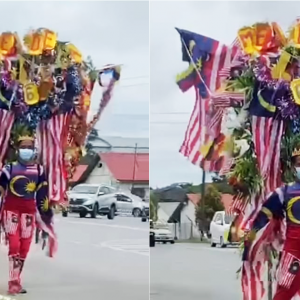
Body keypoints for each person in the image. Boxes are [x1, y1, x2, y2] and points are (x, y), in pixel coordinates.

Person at [243, 148, 300, 300]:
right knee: (284, 291)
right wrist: (250, 237)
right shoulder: (284, 193)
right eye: (299, 163)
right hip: (293, 255)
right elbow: (261, 217)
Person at [0, 135, 51, 295]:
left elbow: (43, 193)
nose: (26, 150)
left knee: (24, 248)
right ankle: (13, 282)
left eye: (30, 147)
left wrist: (47, 212)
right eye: (24, 147)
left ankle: (16, 279)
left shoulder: (39, 170)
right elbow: (1, 188)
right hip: (11, 210)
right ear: (17, 149)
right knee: (14, 245)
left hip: (29, 212)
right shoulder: (9, 169)